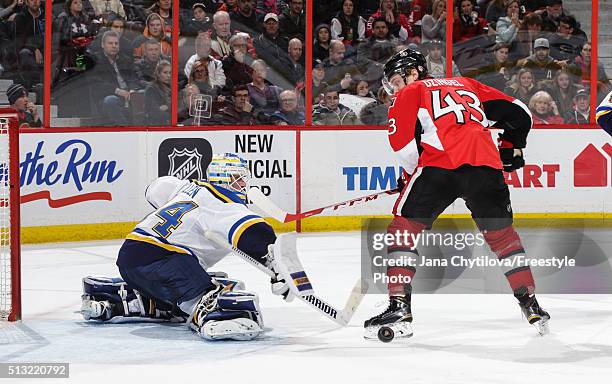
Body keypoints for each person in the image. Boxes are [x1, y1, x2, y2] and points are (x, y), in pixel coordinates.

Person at [364, 48, 550, 340]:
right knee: (503, 237)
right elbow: (520, 113)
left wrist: (411, 176)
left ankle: (399, 305)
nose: (395, 88)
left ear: (414, 73)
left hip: (441, 166)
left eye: (397, 80)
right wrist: (512, 146)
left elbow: (404, 148)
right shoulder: (466, 84)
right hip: (487, 168)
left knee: (403, 229)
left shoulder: (411, 92)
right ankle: (531, 303)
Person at [81, 154, 291, 341]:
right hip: (166, 259)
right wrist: (276, 266)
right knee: (214, 293)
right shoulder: (224, 204)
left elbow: (154, 189)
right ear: (224, 180)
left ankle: (135, 297)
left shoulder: (186, 187)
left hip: (130, 256)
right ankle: (212, 314)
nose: (243, 185)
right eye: (238, 179)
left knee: (215, 280)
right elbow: (253, 232)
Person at [144, 60, 172, 125]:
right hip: (156, 124)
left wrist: (167, 106)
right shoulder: (151, 89)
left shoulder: (172, 87)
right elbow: (155, 112)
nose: (168, 75)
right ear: (158, 74)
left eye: (170, 73)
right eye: (165, 72)